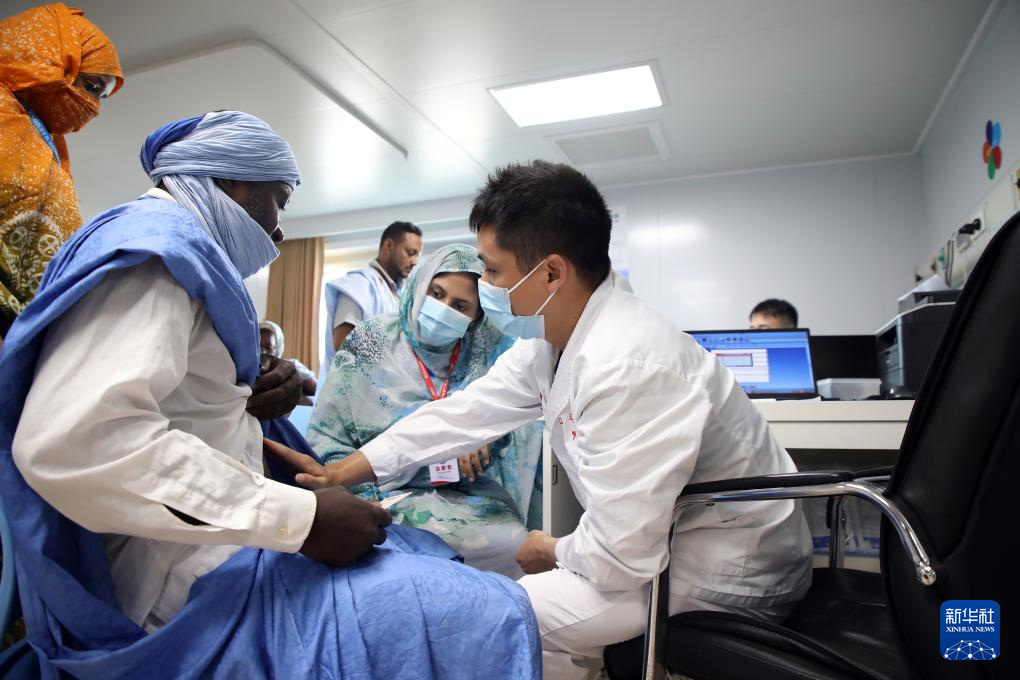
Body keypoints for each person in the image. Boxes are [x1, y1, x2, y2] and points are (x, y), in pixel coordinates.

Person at [0, 112, 540, 677]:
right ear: (233, 182)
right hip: (186, 568)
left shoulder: (183, 257)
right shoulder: (155, 258)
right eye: (279, 202)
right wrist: (300, 516)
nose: (280, 231)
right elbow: (82, 439)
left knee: (459, 583)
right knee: (478, 611)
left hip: (233, 534)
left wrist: (255, 394)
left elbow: (187, 399)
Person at [271, 160, 813, 679]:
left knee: (490, 615)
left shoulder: (627, 365)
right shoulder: (552, 342)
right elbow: (461, 415)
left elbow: (620, 558)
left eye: (492, 270)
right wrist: (345, 470)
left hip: (727, 567)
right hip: (656, 546)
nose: (484, 284)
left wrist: (550, 548)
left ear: (551, 272)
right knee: (489, 606)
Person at [308, 243, 543, 577]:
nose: (443, 309)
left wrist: (482, 441)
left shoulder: (485, 353)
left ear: (475, 318)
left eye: (460, 306)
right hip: (373, 491)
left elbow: (501, 419)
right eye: (436, 293)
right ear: (421, 285)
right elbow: (326, 436)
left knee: (512, 546)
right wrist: (357, 487)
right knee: (386, 551)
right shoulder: (371, 342)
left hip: (459, 493)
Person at [0, 2, 123, 343]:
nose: (93, 106)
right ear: (53, 62)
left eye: (102, 96)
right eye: (92, 86)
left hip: (26, 327)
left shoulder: (45, 140)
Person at [321, 220, 422, 374]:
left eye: (417, 255)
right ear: (389, 246)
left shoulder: (398, 295)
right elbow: (343, 343)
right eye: (410, 253)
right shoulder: (358, 284)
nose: (415, 262)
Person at [260, 319, 317, 404]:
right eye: (258, 346)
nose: (263, 352)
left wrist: (299, 403)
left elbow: (320, 393)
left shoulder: (292, 367)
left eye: (268, 348)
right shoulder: (248, 371)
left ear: (277, 348)